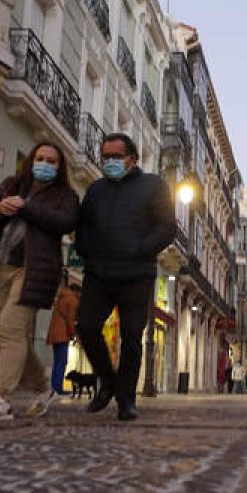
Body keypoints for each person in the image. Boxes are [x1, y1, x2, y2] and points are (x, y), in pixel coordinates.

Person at [0, 142, 80, 421]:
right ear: (31, 160)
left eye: (51, 161)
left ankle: (0, 398)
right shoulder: (12, 184)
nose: (44, 163)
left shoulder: (64, 195)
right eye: (40, 158)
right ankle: (45, 389)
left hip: (35, 270)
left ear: (59, 167)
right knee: (12, 332)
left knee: (9, 327)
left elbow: (66, 222)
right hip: (0, 265)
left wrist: (26, 209)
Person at [74, 133, 175, 421]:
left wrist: (140, 250)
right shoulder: (96, 189)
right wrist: (87, 253)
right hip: (99, 273)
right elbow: (83, 226)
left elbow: (167, 226)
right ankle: (107, 382)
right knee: (87, 326)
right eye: (106, 157)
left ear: (132, 159)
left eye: (116, 157)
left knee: (132, 337)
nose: (110, 162)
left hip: (136, 274)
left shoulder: (153, 185)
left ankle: (126, 400)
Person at [46, 281, 81, 395]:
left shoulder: (62, 297)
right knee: (62, 361)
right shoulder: (72, 300)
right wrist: (73, 334)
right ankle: (57, 388)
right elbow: (70, 320)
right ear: (77, 291)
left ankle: (54, 387)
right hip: (62, 334)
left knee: (57, 362)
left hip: (55, 333)